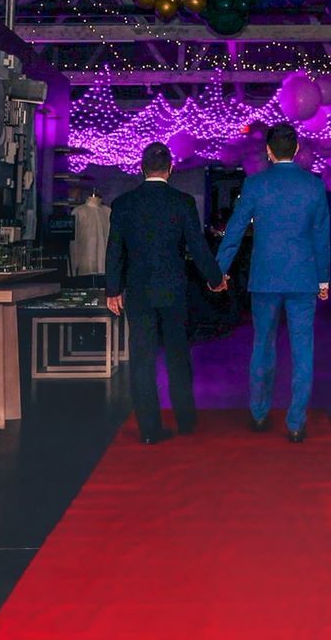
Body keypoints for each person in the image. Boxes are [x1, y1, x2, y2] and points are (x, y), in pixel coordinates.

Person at [105, 144, 226, 446]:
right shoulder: (182, 202)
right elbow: (197, 247)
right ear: (170, 168)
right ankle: (185, 420)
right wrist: (215, 279)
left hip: (139, 291)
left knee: (142, 359)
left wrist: (112, 290)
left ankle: (148, 429)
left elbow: (114, 251)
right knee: (177, 355)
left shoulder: (123, 204)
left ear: (141, 167)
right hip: (173, 290)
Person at [217, 123, 330, 442]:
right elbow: (322, 236)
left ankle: (258, 414)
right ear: (296, 150)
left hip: (265, 278)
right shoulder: (314, 186)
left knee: (262, 346)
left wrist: (219, 270)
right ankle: (296, 423)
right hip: (304, 277)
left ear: (268, 151)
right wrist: (323, 278)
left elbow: (236, 228)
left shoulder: (255, 185)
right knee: (303, 349)